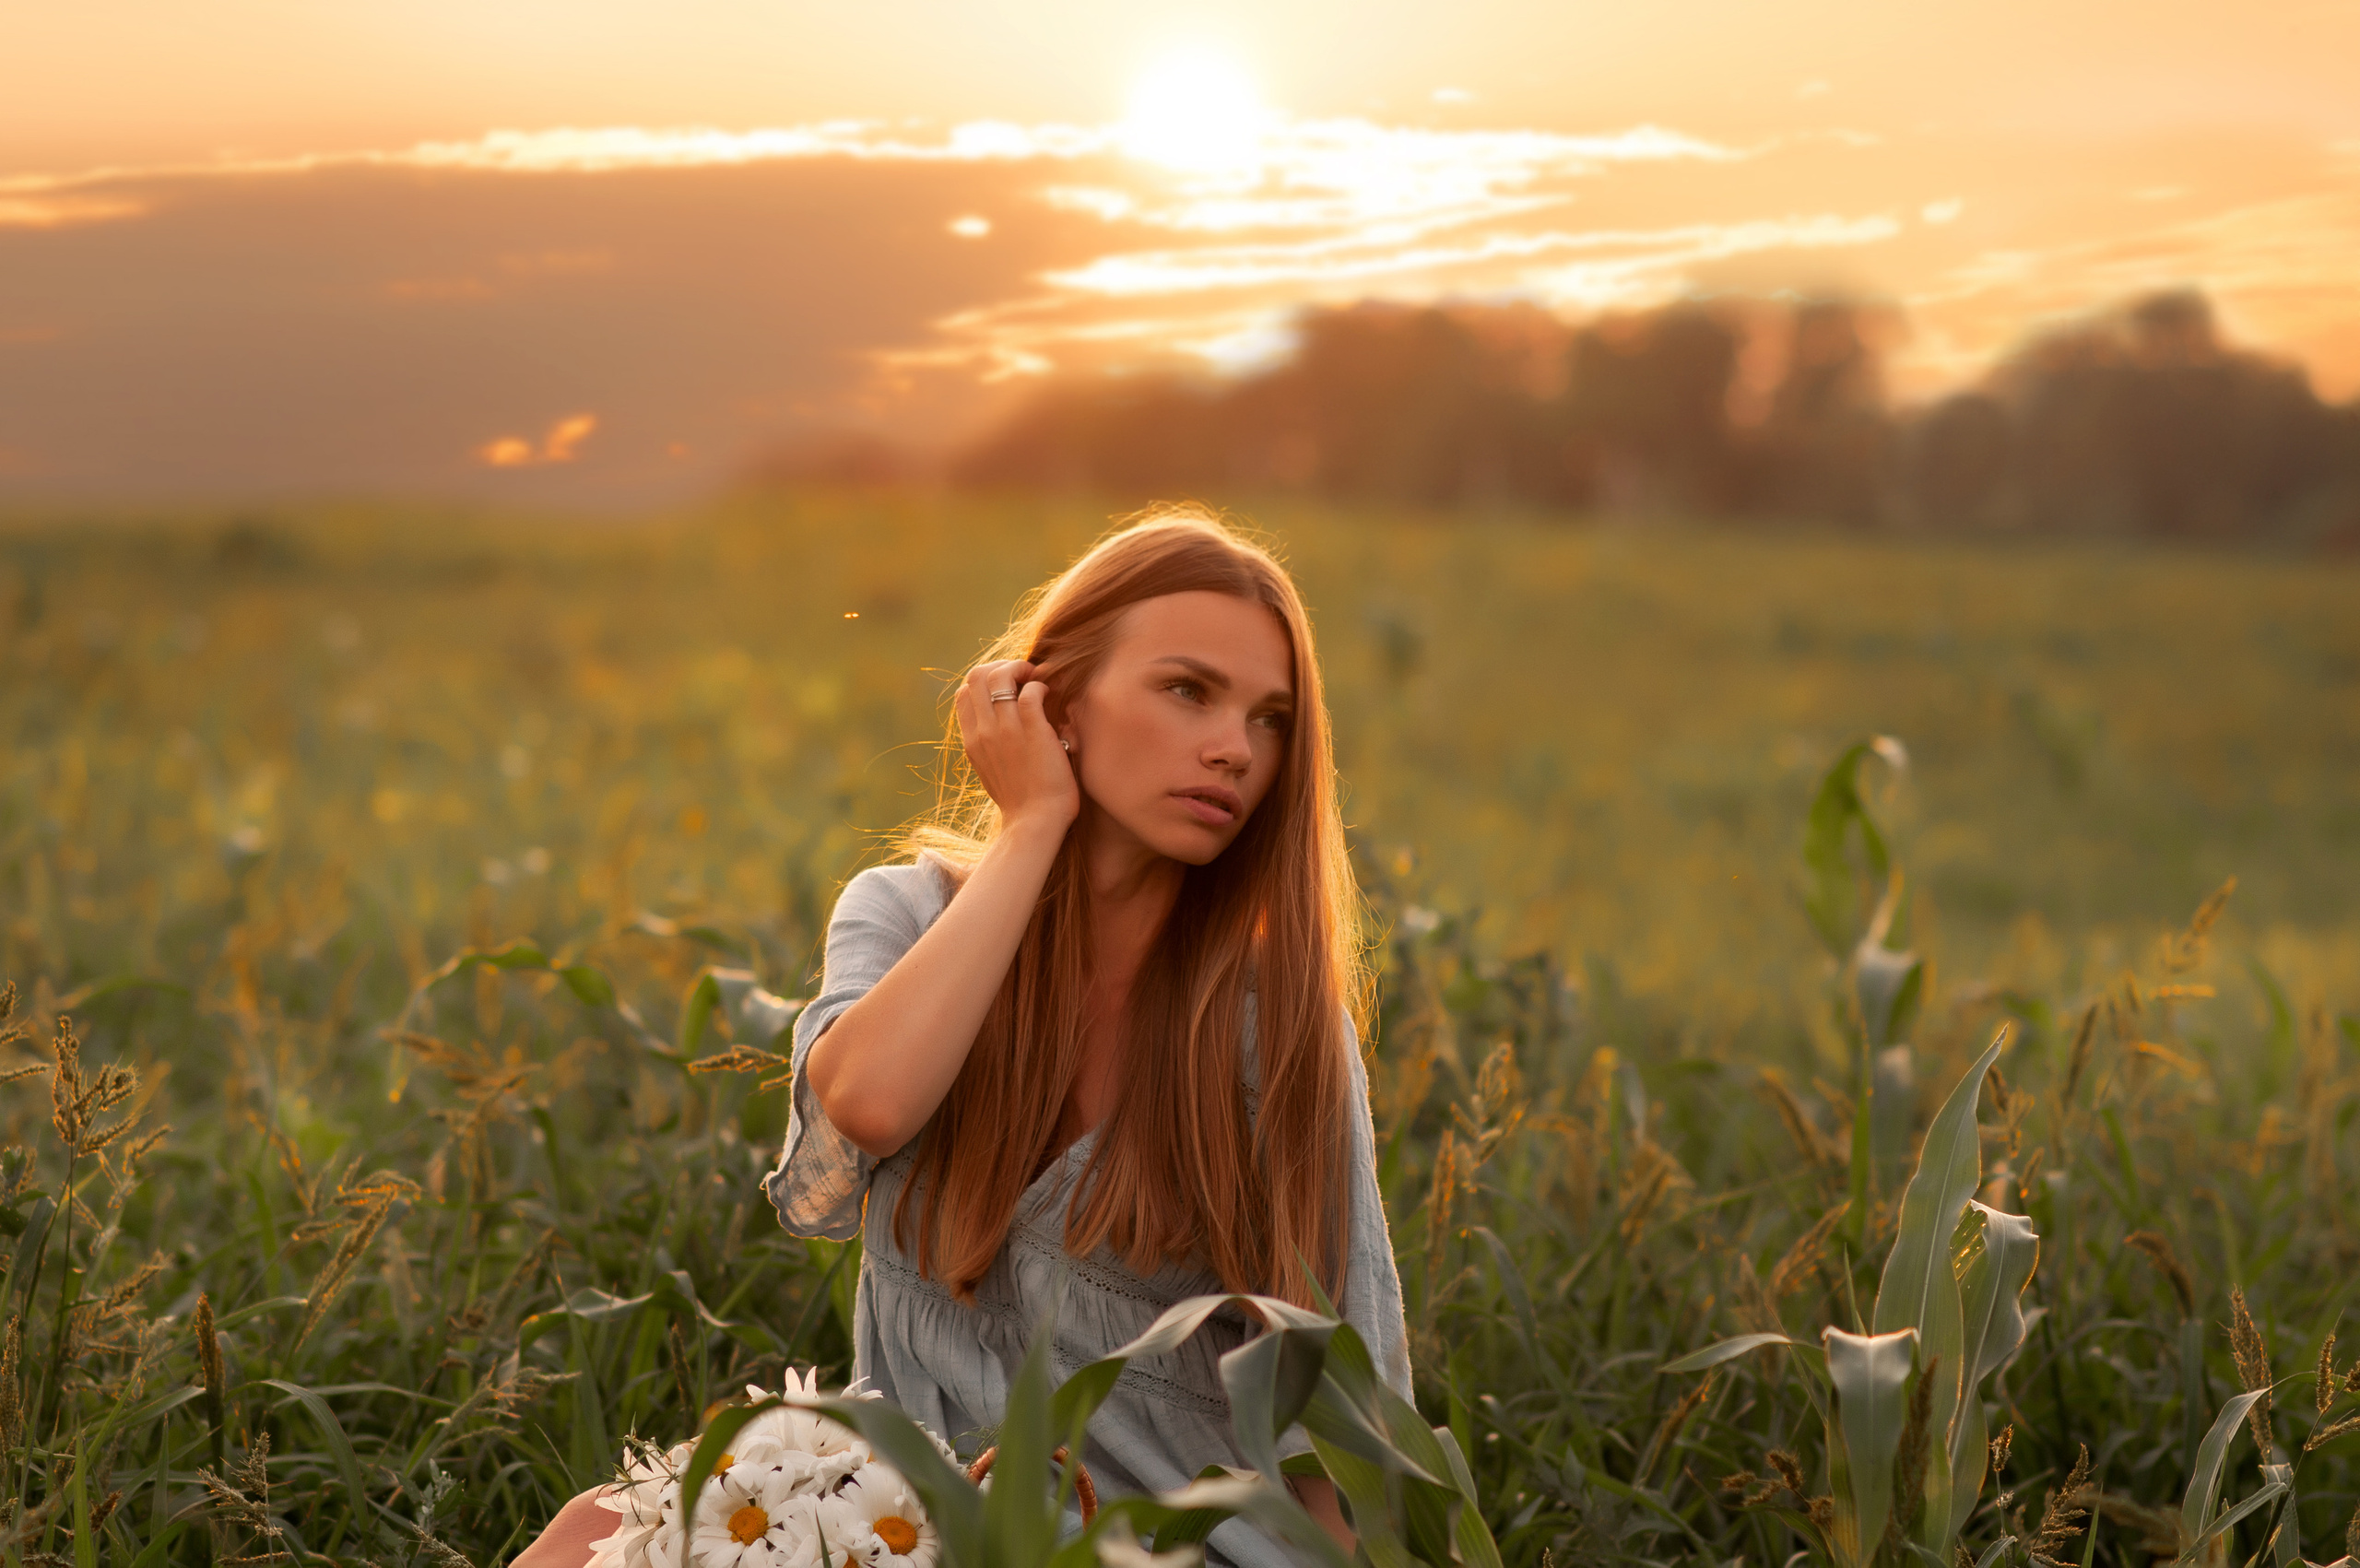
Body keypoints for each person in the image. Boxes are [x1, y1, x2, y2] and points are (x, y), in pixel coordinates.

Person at [514, 508, 1410, 1567]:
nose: (1234, 748)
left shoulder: (1272, 1024)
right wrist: (1032, 827)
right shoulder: (905, 915)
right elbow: (869, 1102)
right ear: (1053, 702)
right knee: (588, 1534)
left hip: (1147, 1547)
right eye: (1187, 690)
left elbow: (1341, 1413)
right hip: (898, 1517)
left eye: (1269, 719)